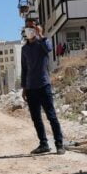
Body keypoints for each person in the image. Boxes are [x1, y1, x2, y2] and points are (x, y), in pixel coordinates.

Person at [20, 18, 65, 155]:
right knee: (36, 118)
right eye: (27, 27)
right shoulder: (24, 48)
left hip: (44, 85)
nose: (29, 30)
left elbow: (49, 49)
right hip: (31, 87)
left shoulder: (43, 43)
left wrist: (40, 35)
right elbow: (24, 69)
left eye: (32, 27)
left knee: (51, 116)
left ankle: (59, 144)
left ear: (38, 28)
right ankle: (43, 144)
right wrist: (24, 87)